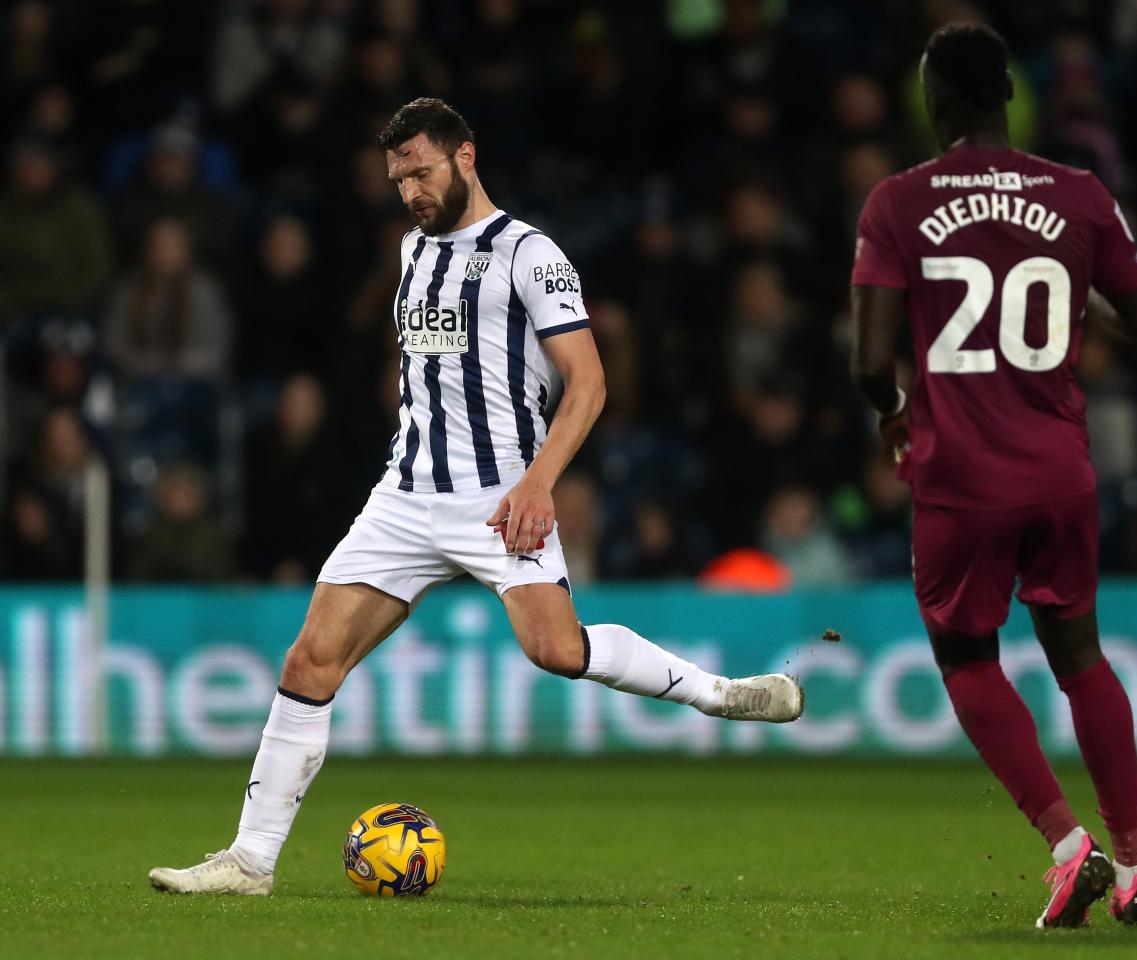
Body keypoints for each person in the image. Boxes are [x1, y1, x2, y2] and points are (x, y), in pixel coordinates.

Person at [149, 97, 803, 896]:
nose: (410, 191)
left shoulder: (531, 254)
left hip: (501, 495)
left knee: (556, 651)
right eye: (397, 178)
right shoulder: (410, 251)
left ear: (465, 156)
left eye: (420, 171)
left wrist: (538, 481)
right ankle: (250, 862)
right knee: (310, 657)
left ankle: (719, 695)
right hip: (406, 493)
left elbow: (589, 383)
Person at [849, 25, 1137, 929]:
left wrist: (892, 411)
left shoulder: (898, 202)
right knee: (1081, 657)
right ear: (1009, 97)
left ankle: (1070, 851)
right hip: (1060, 468)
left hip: (962, 478)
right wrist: (1084, 296)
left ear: (935, 102)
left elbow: (872, 359)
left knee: (966, 658)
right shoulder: (1081, 194)